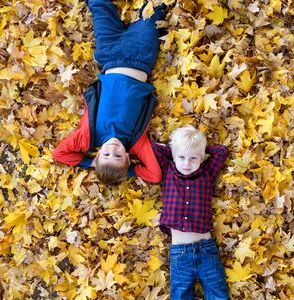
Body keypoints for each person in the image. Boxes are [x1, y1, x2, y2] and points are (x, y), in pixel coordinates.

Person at [53, 0, 167, 185]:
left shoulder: (88, 138)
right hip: (139, 55)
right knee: (155, 10)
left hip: (109, 56)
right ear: (128, 158)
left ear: (98, 154)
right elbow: (154, 175)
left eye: (106, 155)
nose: (113, 149)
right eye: (118, 156)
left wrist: (91, 163)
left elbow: (59, 154)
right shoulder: (135, 142)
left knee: (99, 6)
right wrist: (128, 172)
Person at [151, 125, 230, 299]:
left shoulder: (207, 172)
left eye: (193, 158)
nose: (187, 163)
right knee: (180, 296)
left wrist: (200, 149)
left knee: (219, 295)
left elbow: (222, 151)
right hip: (179, 253)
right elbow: (153, 148)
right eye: (181, 157)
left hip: (206, 250)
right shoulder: (168, 170)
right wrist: (175, 149)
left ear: (201, 159)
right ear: (174, 156)